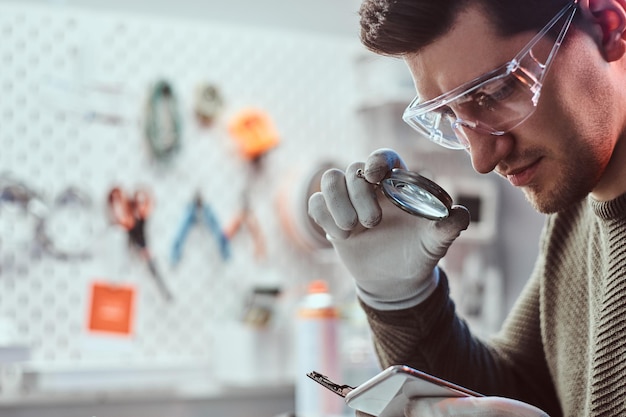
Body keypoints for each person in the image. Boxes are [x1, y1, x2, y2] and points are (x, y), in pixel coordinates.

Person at [307, 0, 626, 415]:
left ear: (607, 24)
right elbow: (518, 387)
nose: (482, 158)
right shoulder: (575, 213)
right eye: (450, 116)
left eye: (496, 92)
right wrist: (402, 300)